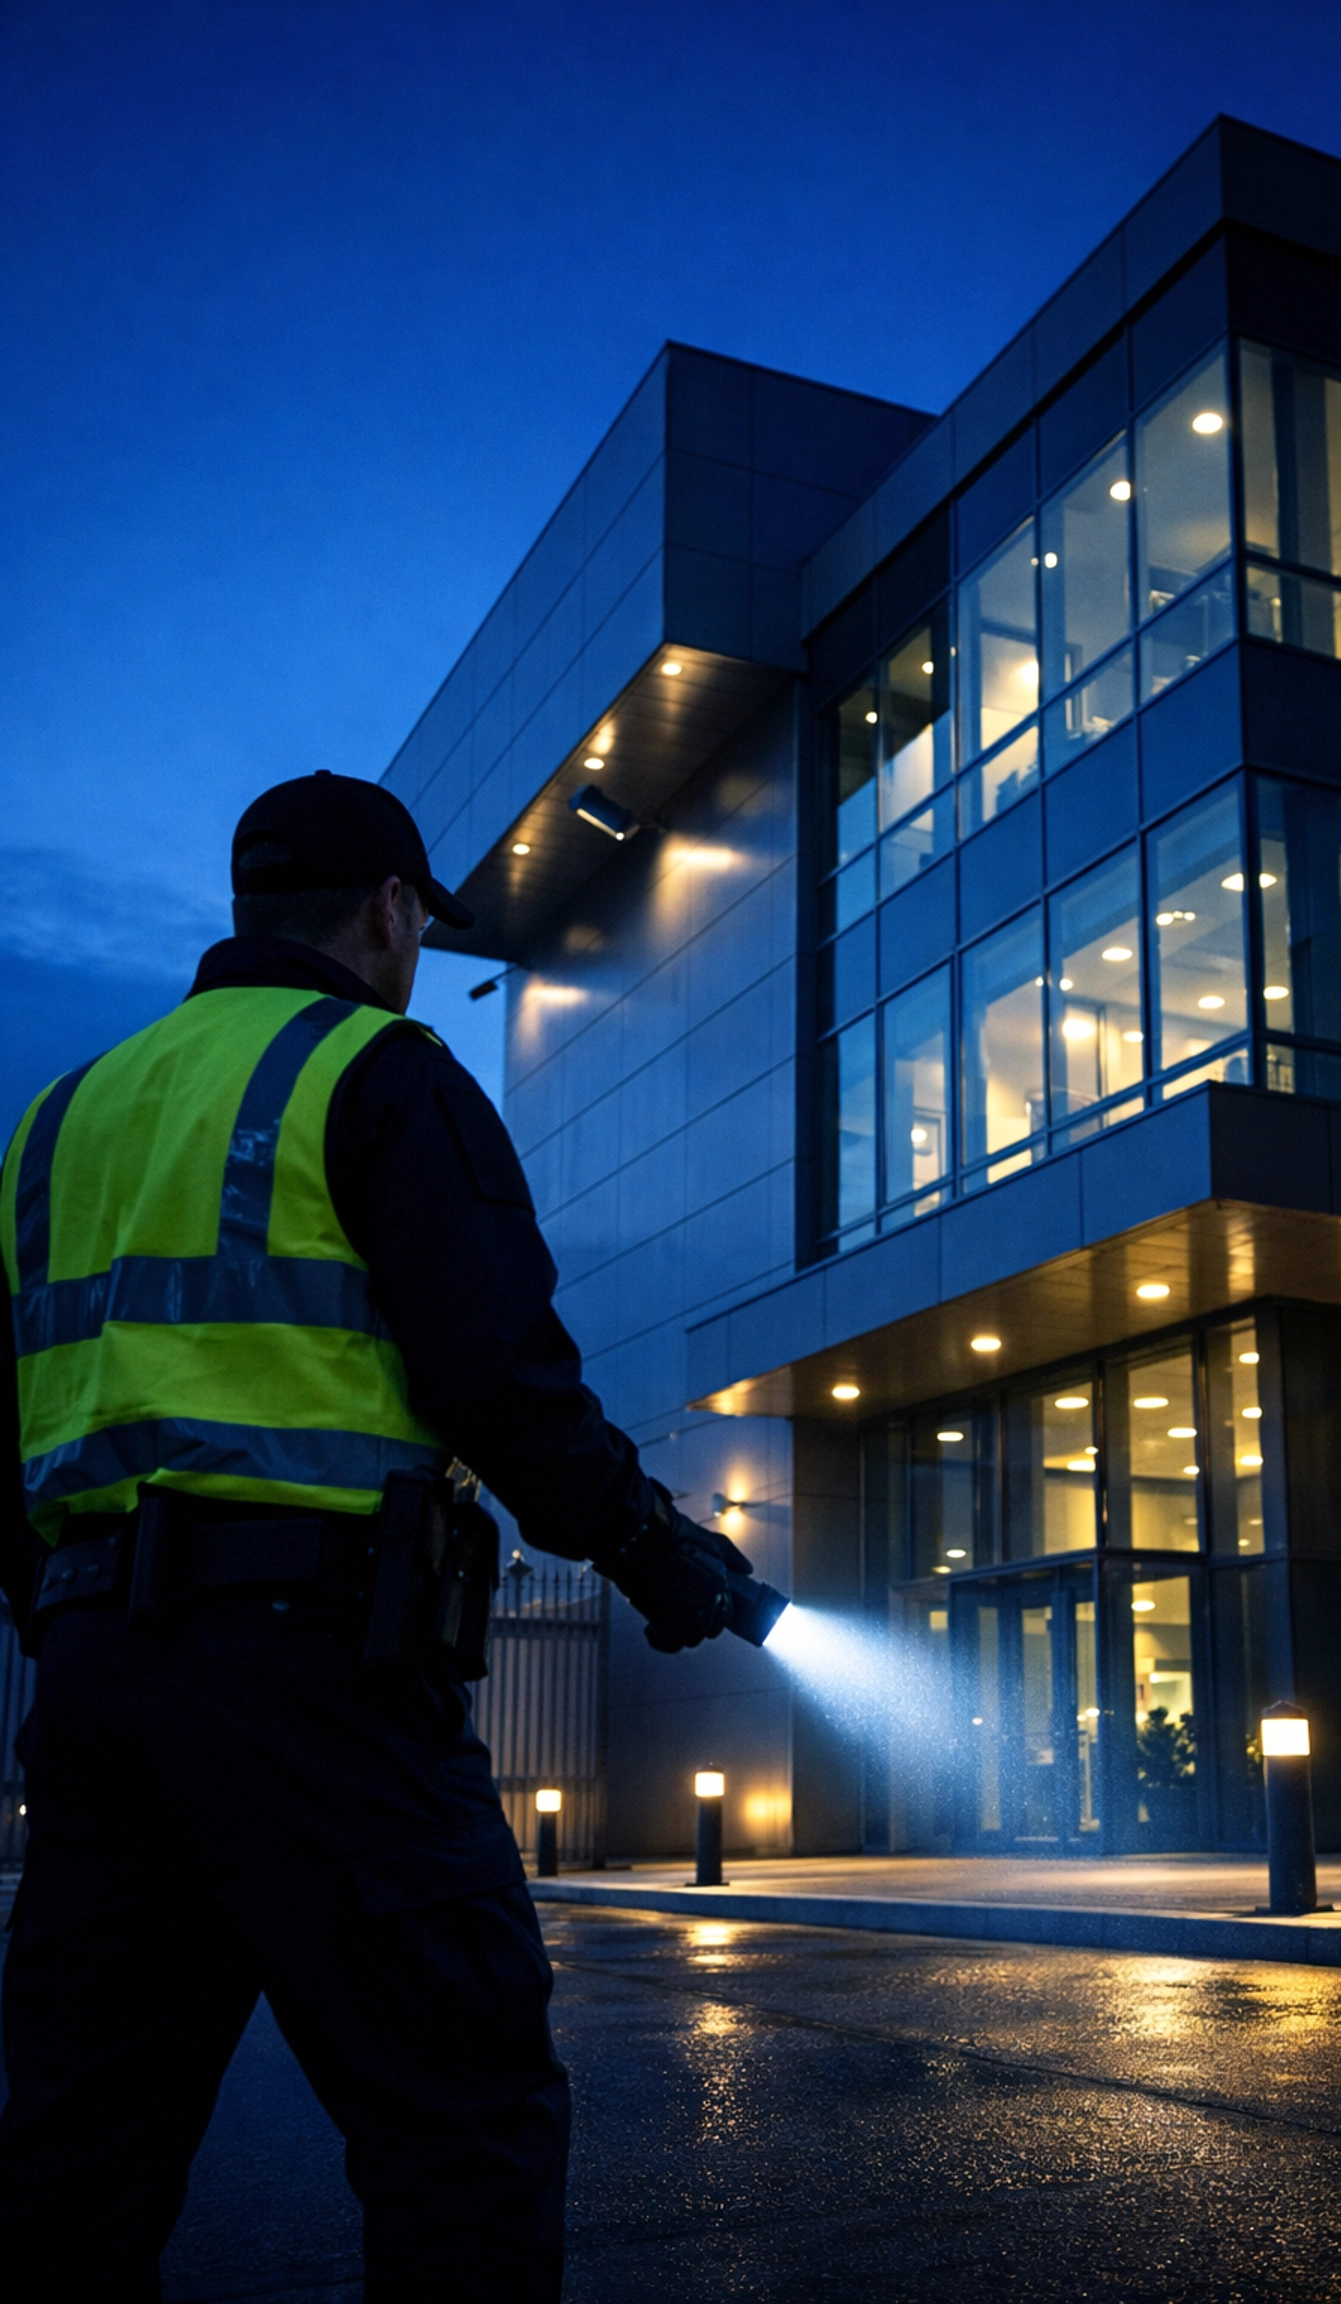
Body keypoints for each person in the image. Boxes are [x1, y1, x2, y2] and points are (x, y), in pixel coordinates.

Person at [0, 771, 754, 2303]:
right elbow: (499, 1379)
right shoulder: (379, 1072)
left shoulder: (60, 1121)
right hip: (320, 1687)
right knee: (461, 2124)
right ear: (391, 911)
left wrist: (68, 1612)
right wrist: (663, 1559)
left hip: (95, 1694)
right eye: (418, 925)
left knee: (76, 2160)